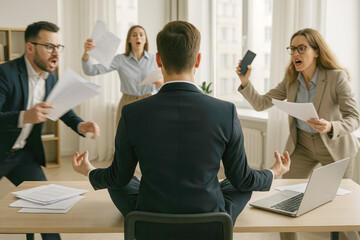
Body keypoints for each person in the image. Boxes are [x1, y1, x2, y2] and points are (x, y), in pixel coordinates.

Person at [72, 20, 290, 226]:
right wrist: (274, 171)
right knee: (241, 180)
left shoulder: (131, 113)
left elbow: (117, 178)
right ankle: (216, 214)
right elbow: (243, 180)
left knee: (119, 179)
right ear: (198, 60)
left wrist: (89, 170)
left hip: (149, 217)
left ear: (158, 60)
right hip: (210, 217)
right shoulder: (226, 111)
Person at [236, 28, 360, 240]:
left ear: (317, 52)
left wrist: (330, 126)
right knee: (287, 197)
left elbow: (354, 118)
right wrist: (245, 81)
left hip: (334, 146)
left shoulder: (336, 77)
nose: (295, 54)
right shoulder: (291, 79)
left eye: (301, 48)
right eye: (292, 49)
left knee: (341, 207)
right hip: (302, 145)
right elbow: (261, 104)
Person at [0, 21, 100, 240]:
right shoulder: (5, 74)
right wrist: (24, 116)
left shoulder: (52, 76)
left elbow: (61, 108)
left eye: (58, 47)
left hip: (22, 156)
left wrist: (79, 125)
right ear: (30, 48)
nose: (56, 53)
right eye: (49, 47)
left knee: (47, 207)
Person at [82, 25, 163, 125]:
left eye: (141, 35)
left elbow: (162, 87)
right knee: (124, 139)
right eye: (134, 35)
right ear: (129, 39)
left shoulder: (154, 59)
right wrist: (86, 53)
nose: (138, 37)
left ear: (145, 40)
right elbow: (90, 71)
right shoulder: (120, 59)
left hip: (148, 103)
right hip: (127, 103)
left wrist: (160, 85)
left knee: (148, 138)